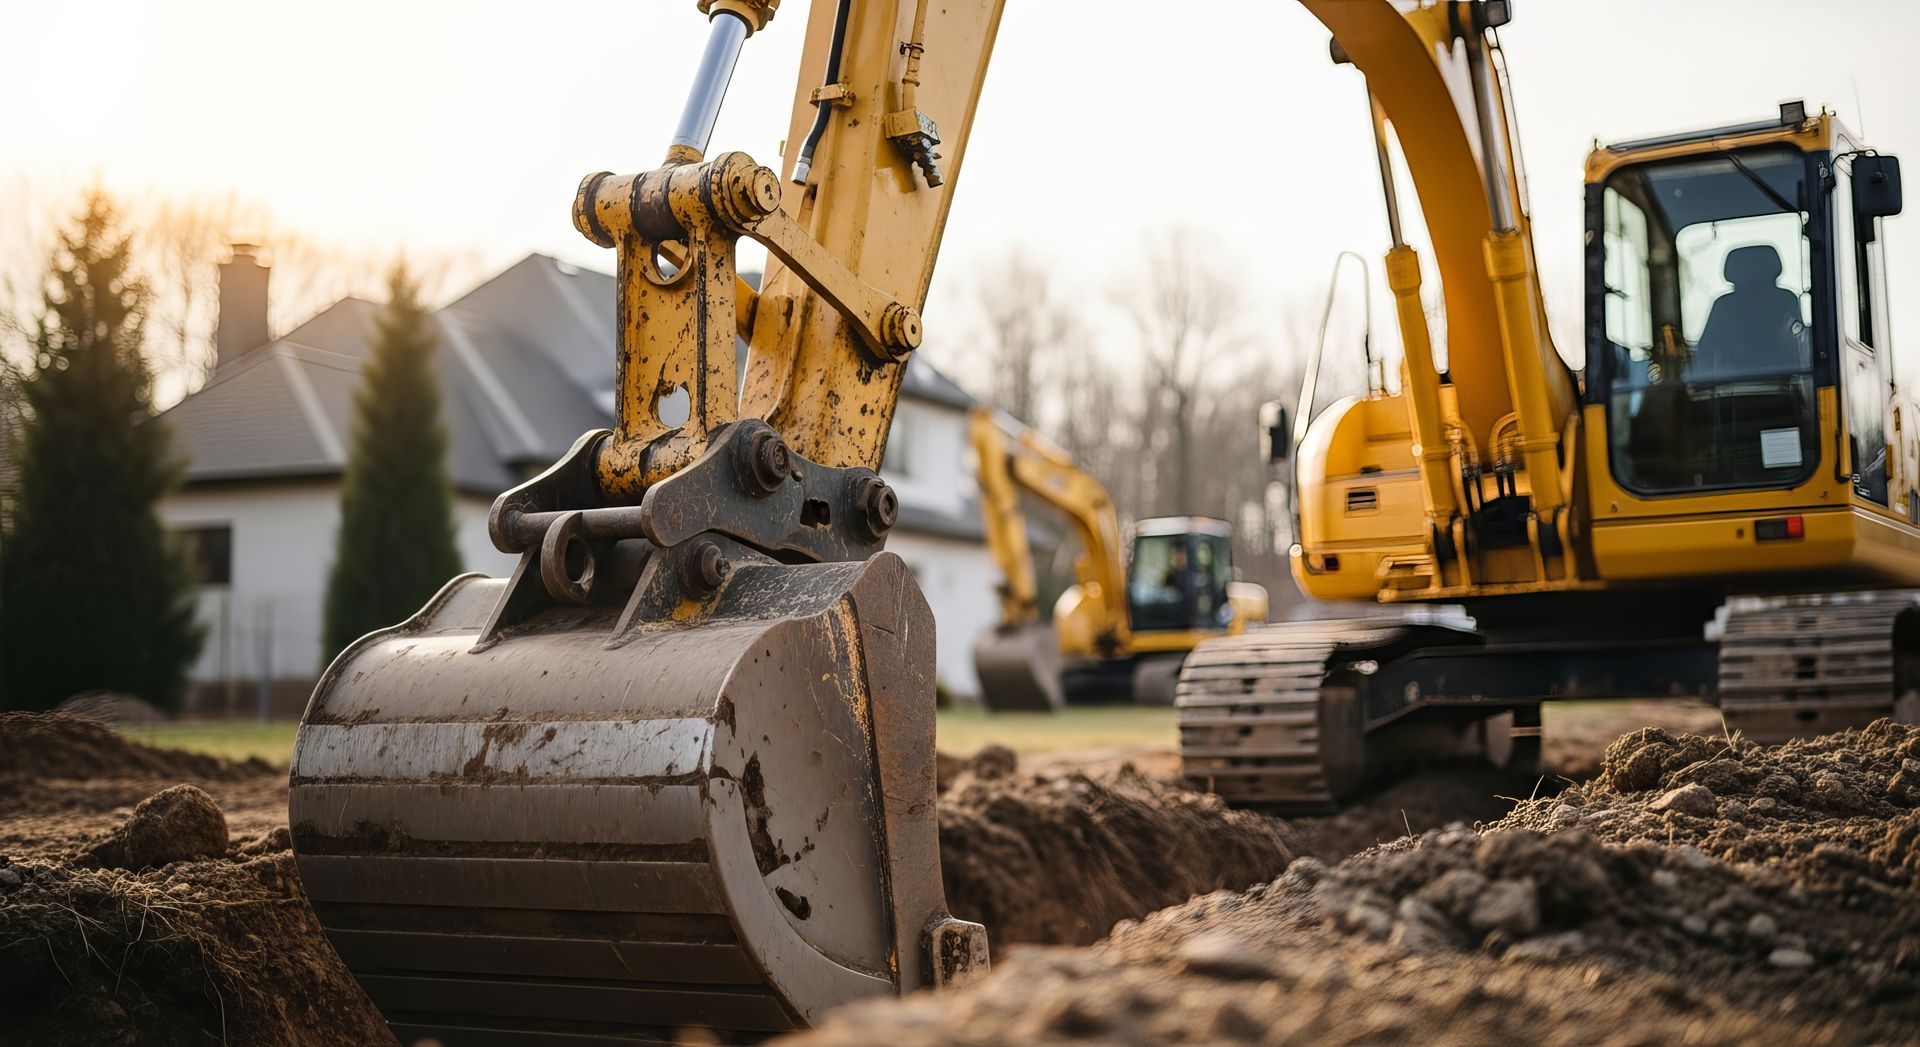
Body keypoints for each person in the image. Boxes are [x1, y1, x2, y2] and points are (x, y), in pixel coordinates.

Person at [1691, 244, 1807, 380]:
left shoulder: (1723, 305)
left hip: (1731, 386)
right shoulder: (1787, 299)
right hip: (1784, 383)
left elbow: (1706, 351)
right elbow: (1799, 347)